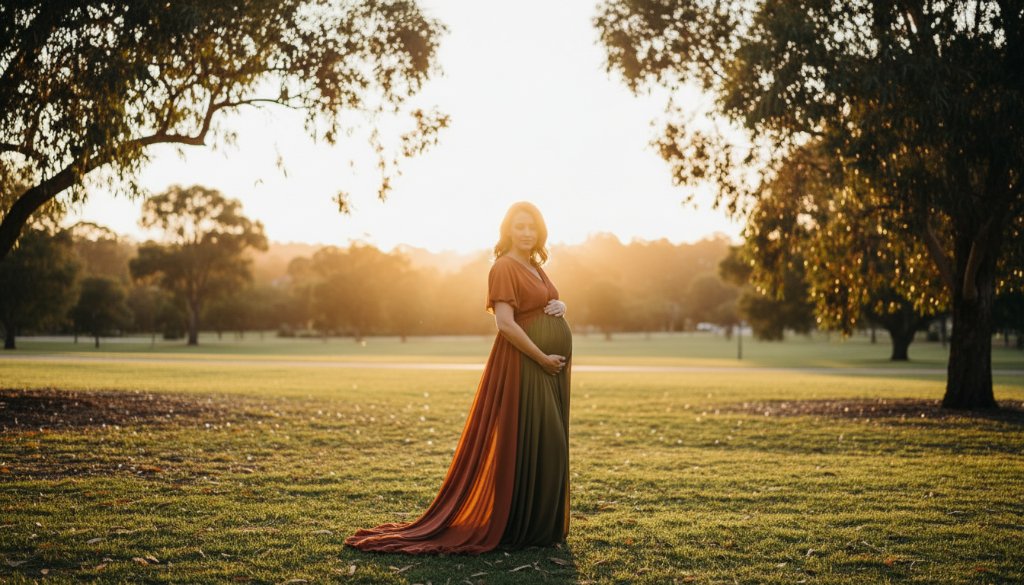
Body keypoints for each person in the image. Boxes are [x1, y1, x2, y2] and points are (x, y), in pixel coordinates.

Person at [344, 201, 572, 554]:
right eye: (520, 226)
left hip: (546, 368)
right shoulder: (504, 267)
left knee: (546, 442)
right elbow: (505, 324)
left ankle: (536, 528)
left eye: (532, 227)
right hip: (526, 366)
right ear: (508, 230)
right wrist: (542, 358)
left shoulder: (535, 267)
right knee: (543, 441)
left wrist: (561, 306)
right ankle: (521, 526)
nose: (527, 233)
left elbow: (541, 305)